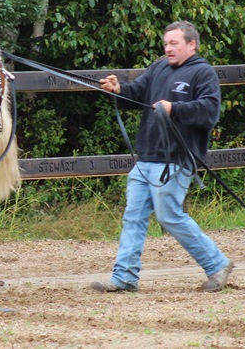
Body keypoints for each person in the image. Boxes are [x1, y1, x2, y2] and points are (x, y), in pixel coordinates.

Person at [91, 20, 233, 293]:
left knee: (169, 217)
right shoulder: (158, 67)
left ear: (191, 44)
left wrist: (174, 108)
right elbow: (138, 93)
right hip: (146, 158)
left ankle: (217, 265)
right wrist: (119, 89)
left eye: (174, 43)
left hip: (176, 159)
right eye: (166, 44)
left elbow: (209, 111)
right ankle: (124, 278)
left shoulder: (202, 73)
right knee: (133, 216)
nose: (168, 49)